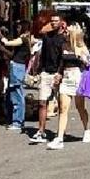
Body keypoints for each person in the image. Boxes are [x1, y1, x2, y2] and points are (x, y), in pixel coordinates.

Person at [47, 24, 90, 150]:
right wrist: (58, 74)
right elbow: (62, 63)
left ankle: (87, 130)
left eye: (67, 32)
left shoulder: (81, 47)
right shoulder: (64, 46)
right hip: (66, 78)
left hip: (78, 78)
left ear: (73, 34)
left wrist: (82, 58)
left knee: (80, 107)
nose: (65, 33)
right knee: (63, 108)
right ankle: (59, 138)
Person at [30, 14, 66, 144]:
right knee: (42, 102)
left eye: (56, 21)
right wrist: (39, 70)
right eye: (52, 21)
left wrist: (60, 73)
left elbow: (63, 58)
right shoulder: (46, 37)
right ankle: (41, 131)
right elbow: (43, 53)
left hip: (57, 74)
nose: (53, 23)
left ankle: (60, 132)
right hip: (45, 73)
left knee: (62, 105)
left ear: (61, 23)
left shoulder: (63, 39)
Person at [0, 21, 33, 129]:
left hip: (17, 67)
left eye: (19, 27)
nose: (17, 29)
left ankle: (18, 121)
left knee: (17, 94)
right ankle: (13, 118)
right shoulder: (26, 40)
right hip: (16, 66)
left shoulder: (22, 39)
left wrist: (0, 35)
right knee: (11, 93)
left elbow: (8, 43)